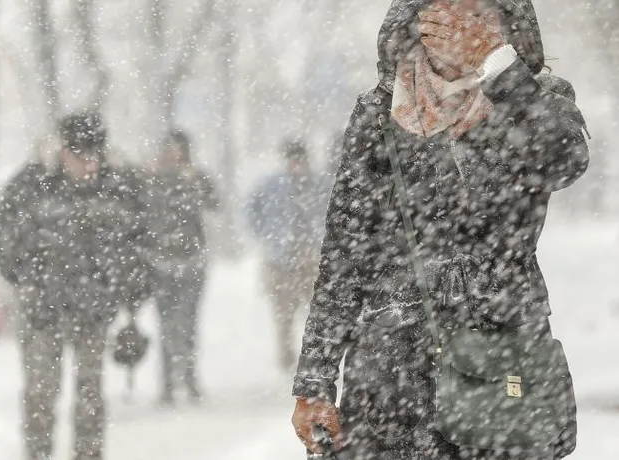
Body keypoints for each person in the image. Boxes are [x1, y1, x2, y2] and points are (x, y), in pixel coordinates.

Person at [291, 0, 588, 459]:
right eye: (445, 11)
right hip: (389, 375)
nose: (461, 25)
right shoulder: (379, 112)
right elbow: (345, 252)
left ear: (506, 24)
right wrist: (315, 380)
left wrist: (496, 64)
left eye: (478, 14)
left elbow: (562, 160)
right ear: (416, 23)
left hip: (502, 360)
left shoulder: (536, 99)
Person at [0, 112, 150, 460]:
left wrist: (132, 295)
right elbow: (0, 232)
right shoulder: (32, 183)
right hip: (42, 308)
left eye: (94, 156)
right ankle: (38, 454)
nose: (88, 164)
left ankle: (88, 455)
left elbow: (141, 243)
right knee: (41, 393)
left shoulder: (120, 186)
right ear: (63, 151)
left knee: (90, 393)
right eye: (80, 155)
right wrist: (24, 275)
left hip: (95, 308)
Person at [143, 129, 219, 404]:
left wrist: (194, 181)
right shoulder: (151, 179)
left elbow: (214, 203)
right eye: (168, 148)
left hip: (191, 263)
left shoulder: (195, 177)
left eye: (178, 149)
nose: (173, 154)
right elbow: (142, 211)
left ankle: (188, 377)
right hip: (161, 264)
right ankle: (167, 384)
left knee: (187, 322)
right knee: (166, 325)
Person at [246, 139, 331, 371]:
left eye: (300, 160)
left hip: (313, 259)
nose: (297, 165)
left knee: (316, 311)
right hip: (280, 261)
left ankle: (316, 357)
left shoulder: (322, 184)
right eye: (293, 160)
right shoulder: (271, 185)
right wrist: (267, 236)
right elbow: (250, 211)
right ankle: (286, 358)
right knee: (283, 314)